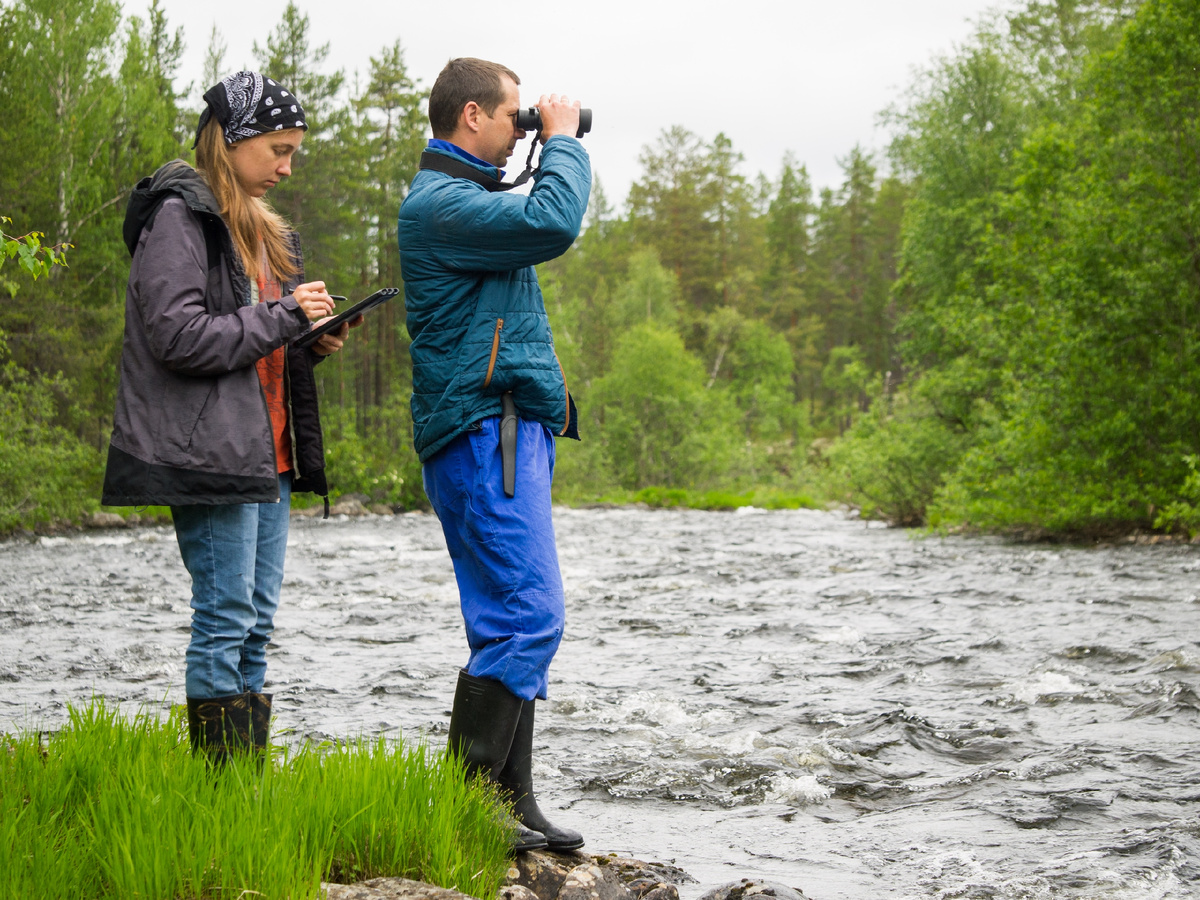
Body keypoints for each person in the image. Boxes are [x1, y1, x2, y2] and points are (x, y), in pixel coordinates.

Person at [102, 71, 352, 765]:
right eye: (277, 148)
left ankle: (243, 788)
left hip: (265, 455)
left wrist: (310, 341)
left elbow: (256, 341)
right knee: (224, 622)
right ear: (233, 139)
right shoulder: (178, 217)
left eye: (294, 151)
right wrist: (281, 316)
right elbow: (179, 338)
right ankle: (221, 793)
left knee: (256, 625)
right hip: (209, 454)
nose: (286, 165)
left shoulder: (268, 233)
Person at [397, 57, 590, 852]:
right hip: (485, 432)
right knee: (532, 615)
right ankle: (470, 806)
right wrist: (567, 139)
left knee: (504, 625)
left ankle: (514, 803)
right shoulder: (442, 205)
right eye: (517, 117)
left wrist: (546, 141)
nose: (525, 131)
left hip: (499, 431)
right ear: (471, 116)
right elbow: (552, 223)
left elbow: (531, 215)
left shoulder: (462, 199)